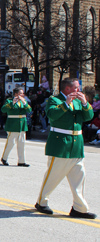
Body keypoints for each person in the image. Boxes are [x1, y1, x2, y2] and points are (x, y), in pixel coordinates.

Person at [35, 78, 96, 219]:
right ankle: (41, 202)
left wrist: (85, 103)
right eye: (76, 88)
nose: (79, 90)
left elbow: (88, 117)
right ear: (67, 89)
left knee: (79, 179)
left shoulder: (78, 102)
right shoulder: (54, 100)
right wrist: (66, 104)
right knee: (53, 177)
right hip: (61, 143)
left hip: (76, 144)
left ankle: (79, 208)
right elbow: (52, 115)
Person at [0, 88, 33, 166]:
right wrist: (12, 103)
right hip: (13, 125)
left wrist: (25, 103)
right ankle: (4, 158)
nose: (23, 95)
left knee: (22, 144)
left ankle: (21, 161)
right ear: (16, 94)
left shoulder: (23, 102)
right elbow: (3, 109)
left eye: (23, 94)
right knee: (11, 143)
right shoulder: (9, 101)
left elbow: (29, 110)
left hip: (22, 125)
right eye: (21, 93)